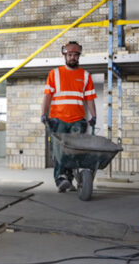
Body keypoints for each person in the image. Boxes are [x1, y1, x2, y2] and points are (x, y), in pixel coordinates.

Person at [41, 41, 97, 193]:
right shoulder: (54, 74)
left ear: (79, 56)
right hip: (57, 119)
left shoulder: (85, 75)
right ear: (64, 55)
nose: (73, 57)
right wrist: (43, 114)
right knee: (59, 150)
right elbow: (47, 96)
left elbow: (90, 98)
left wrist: (94, 116)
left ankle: (69, 179)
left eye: (75, 55)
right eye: (70, 54)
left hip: (77, 120)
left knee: (73, 152)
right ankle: (60, 179)